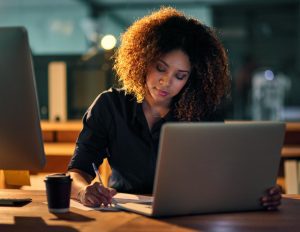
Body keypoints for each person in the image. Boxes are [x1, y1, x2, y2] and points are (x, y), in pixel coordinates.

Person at [67, 7, 281, 210]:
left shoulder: (203, 114)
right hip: (124, 212)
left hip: (188, 214)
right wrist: (84, 191)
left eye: (180, 76)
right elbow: (76, 172)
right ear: (143, 60)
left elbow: (224, 175)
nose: (166, 82)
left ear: (191, 79)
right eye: (161, 68)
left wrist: (261, 193)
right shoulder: (110, 106)